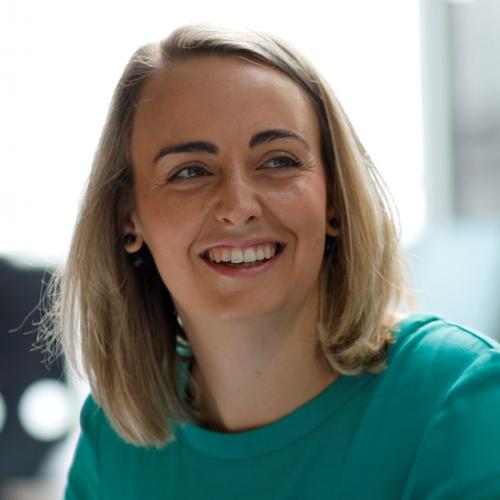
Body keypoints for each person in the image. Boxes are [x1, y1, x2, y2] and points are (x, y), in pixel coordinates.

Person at [44, 24, 500, 499]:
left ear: (333, 198)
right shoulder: (115, 434)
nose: (239, 205)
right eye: (190, 171)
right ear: (128, 217)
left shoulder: (460, 398)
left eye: (278, 161)